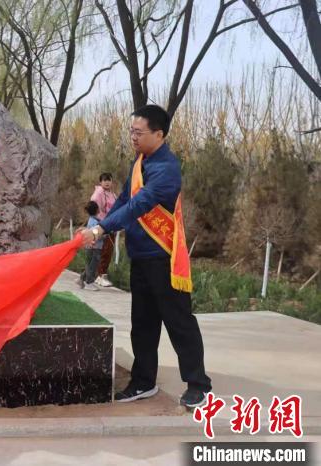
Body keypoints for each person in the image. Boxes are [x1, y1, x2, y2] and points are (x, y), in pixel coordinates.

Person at [82, 104, 211, 408]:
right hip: (140, 256)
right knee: (142, 323)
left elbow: (141, 204)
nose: (133, 137)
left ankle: (198, 384)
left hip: (163, 259)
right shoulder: (139, 162)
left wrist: (100, 231)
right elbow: (126, 199)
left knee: (179, 322)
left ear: (159, 134)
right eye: (131, 132)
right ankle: (143, 381)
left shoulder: (167, 169)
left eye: (138, 133)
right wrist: (102, 226)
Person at [90, 173, 117, 287]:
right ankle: (97, 276)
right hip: (100, 226)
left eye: (109, 180)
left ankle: (96, 276)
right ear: (100, 182)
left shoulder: (112, 194)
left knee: (107, 251)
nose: (107, 182)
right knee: (98, 251)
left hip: (110, 226)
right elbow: (95, 209)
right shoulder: (99, 193)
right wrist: (104, 224)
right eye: (104, 180)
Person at [76, 201, 103, 291]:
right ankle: (89, 282)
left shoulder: (93, 220)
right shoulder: (95, 222)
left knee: (89, 264)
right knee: (92, 265)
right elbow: (95, 233)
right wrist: (105, 234)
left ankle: (81, 279)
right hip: (94, 247)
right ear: (97, 210)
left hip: (92, 246)